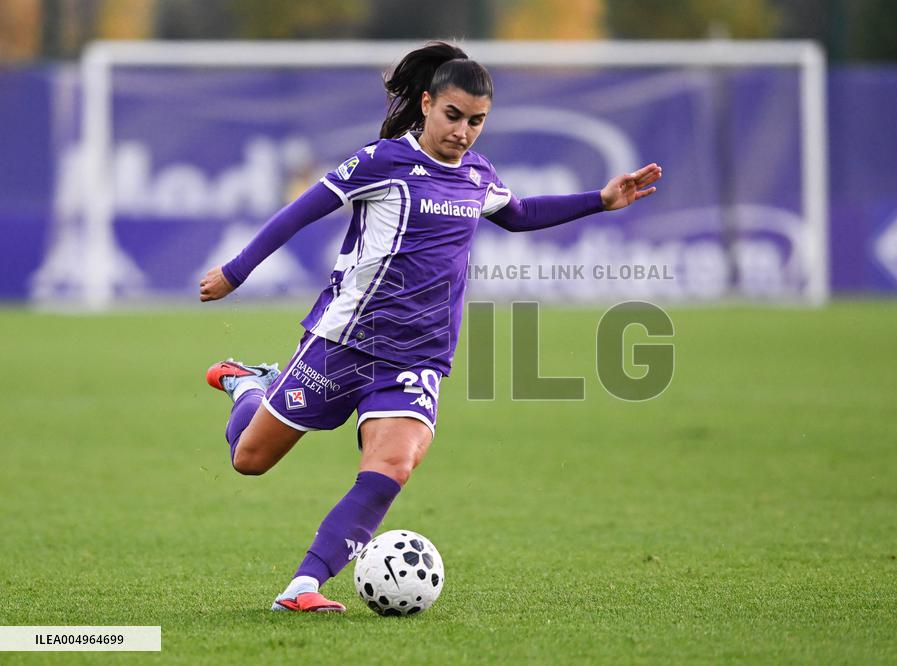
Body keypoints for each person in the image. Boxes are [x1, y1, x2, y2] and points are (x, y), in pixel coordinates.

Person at [199, 41, 661, 613]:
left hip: (419, 356)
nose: (463, 132)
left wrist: (600, 200)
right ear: (425, 103)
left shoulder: (477, 174)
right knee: (250, 459)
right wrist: (235, 272)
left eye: (476, 121)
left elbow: (517, 215)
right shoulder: (383, 161)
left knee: (393, 464)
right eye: (453, 116)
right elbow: (300, 211)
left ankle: (303, 587)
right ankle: (249, 384)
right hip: (345, 342)